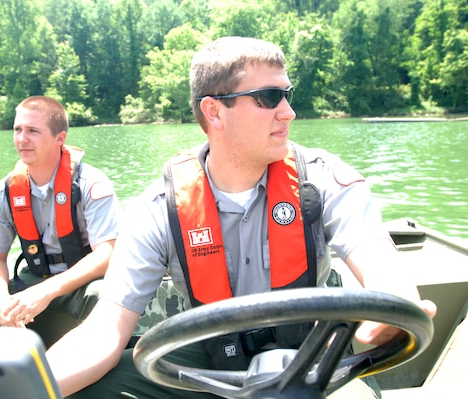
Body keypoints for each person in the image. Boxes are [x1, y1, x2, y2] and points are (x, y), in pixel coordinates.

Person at [46, 37, 437, 398]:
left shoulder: (322, 181)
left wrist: (397, 301)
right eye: (269, 97)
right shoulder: (158, 209)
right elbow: (103, 333)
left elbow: (377, 257)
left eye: (287, 95)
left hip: (314, 357)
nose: (289, 112)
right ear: (214, 112)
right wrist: (29, 387)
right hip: (207, 367)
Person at [0, 96, 121, 348]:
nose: (22, 139)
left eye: (33, 131)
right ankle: (6, 379)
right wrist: (2, 306)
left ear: (59, 138)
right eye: (18, 129)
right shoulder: (5, 192)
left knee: (103, 298)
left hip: (83, 282)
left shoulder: (90, 184)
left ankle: (87, 375)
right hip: (33, 278)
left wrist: (46, 291)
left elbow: (107, 255)